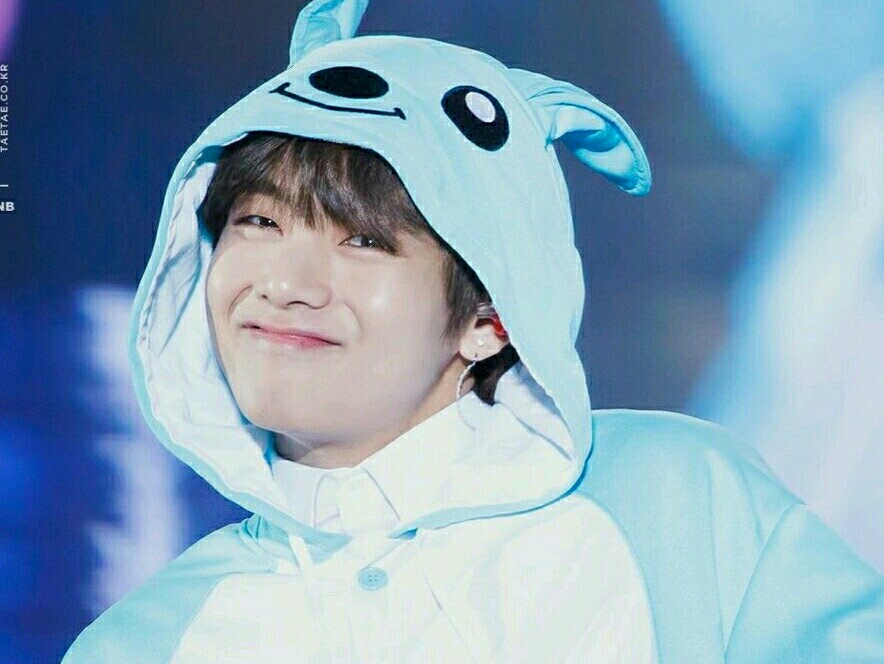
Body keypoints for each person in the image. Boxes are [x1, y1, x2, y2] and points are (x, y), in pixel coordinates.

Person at [63, 0, 884, 662]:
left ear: (491, 317)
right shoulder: (144, 641)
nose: (285, 284)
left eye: (363, 241)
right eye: (257, 222)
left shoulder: (684, 508)